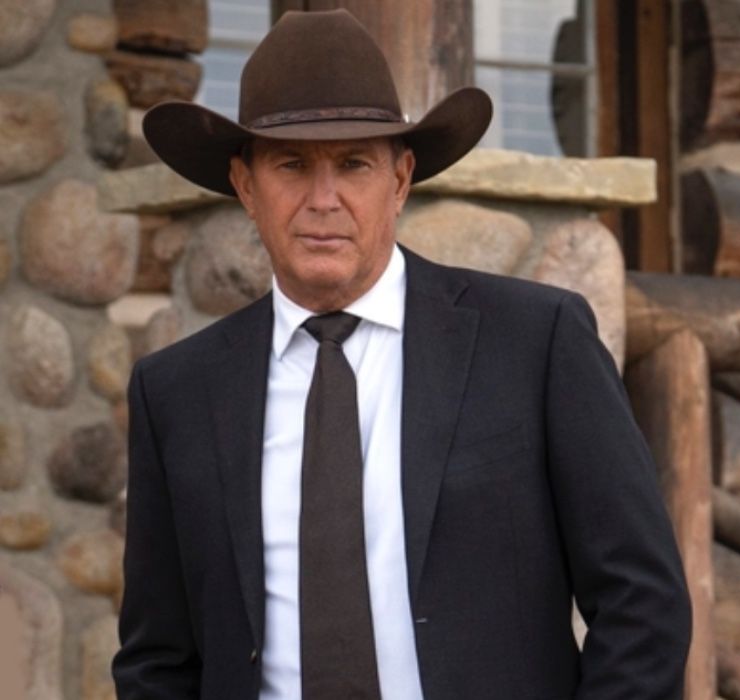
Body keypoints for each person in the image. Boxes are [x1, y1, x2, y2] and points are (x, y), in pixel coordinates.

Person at [113, 10, 690, 700]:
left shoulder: (535, 343)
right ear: (245, 185)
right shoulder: (176, 390)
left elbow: (643, 603)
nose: (323, 200)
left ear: (401, 177)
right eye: (292, 165)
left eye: (353, 163)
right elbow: (156, 659)